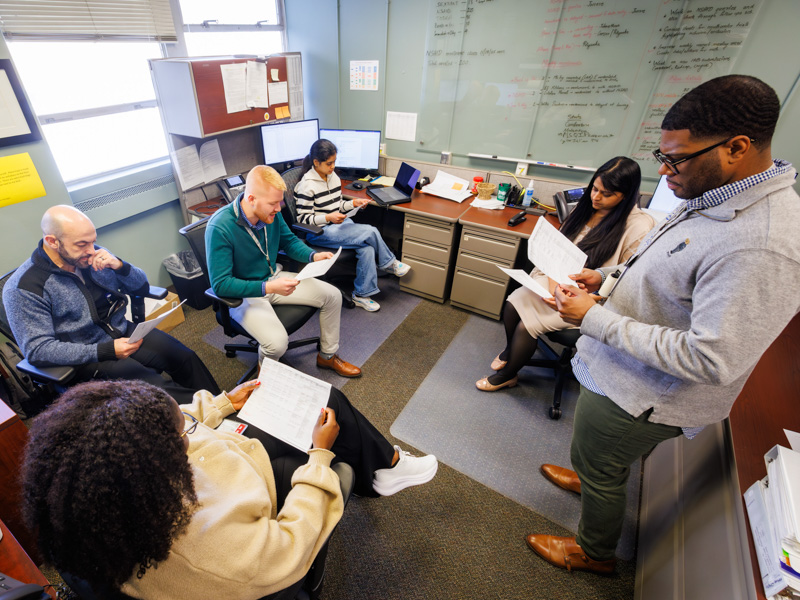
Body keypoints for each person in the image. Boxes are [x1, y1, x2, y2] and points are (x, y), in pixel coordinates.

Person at [525, 75, 800, 575]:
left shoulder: (761, 243)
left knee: (604, 464)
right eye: (662, 153)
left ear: (736, 148)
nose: (663, 168)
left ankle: (595, 553)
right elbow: (669, 270)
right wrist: (606, 277)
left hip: (644, 394)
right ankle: (590, 474)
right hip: (620, 369)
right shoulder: (716, 193)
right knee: (594, 457)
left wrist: (595, 318)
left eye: (676, 158)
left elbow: (712, 358)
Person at [21, 379, 438, 599]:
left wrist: (222, 403)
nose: (188, 427)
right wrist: (319, 458)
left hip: (232, 457)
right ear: (158, 460)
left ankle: (386, 467)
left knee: (326, 398)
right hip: (253, 489)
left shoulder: (103, 483)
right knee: (337, 450)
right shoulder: (211, 552)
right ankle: (382, 469)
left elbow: (178, 417)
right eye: (181, 433)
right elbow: (288, 546)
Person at [2, 205, 219, 405]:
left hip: (123, 334)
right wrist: (105, 350)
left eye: (92, 241)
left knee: (185, 358)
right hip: (86, 356)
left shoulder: (91, 255)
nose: (90, 250)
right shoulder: (24, 288)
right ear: (52, 241)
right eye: (81, 244)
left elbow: (141, 287)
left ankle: (225, 410)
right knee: (156, 390)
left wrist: (120, 266)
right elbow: (37, 350)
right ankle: (206, 421)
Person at [476, 156, 655, 391]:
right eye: (594, 188)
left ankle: (508, 375)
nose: (595, 197)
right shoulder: (585, 208)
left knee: (527, 325)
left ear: (626, 194)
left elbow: (625, 280)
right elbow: (558, 251)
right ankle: (511, 351)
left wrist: (572, 296)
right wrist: (552, 286)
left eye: (606, 194)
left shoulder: (638, 226)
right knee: (512, 304)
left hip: (592, 299)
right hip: (555, 279)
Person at [205, 165, 361, 377]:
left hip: (273, 279)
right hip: (245, 295)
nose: (279, 208)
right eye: (273, 203)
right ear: (251, 199)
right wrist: (269, 287)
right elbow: (221, 285)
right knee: (277, 345)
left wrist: (313, 256)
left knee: (333, 296)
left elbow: (289, 242)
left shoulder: (271, 212)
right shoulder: (220, 227)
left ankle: (327, 357)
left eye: (279, 201)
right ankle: (264, 379)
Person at [294, 139, 411, 312]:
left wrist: (353, 204)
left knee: (367, 249)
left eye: (334, 162)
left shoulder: (332, 176)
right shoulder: (306, 186)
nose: (333, 167)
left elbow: (338, 204)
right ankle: (389, 263)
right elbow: (303, 220)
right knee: (370, 231)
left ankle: (361, 295)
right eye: (329, 163)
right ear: (316, 162)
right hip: (320, 232)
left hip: (339, 226)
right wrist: (328, 217)